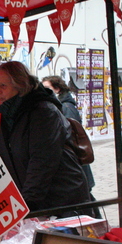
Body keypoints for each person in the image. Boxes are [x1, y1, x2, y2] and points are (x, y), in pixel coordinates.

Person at [0, 61, 90, 216]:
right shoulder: (9, 113)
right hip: (35, 202)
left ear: (20, 85)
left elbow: (42, 162)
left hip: (61, 202)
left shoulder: (44, 111)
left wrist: (27, 207)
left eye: (3, 86)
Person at [42, 75, 97, 213]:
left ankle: (97, 225)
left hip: (75, 164)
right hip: (74, 166)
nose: (44, 92)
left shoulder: (65, 107)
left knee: (85, 202)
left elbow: (67, 135)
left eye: (48, 88)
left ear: (57, 89)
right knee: (86, 201)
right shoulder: (60, 105)